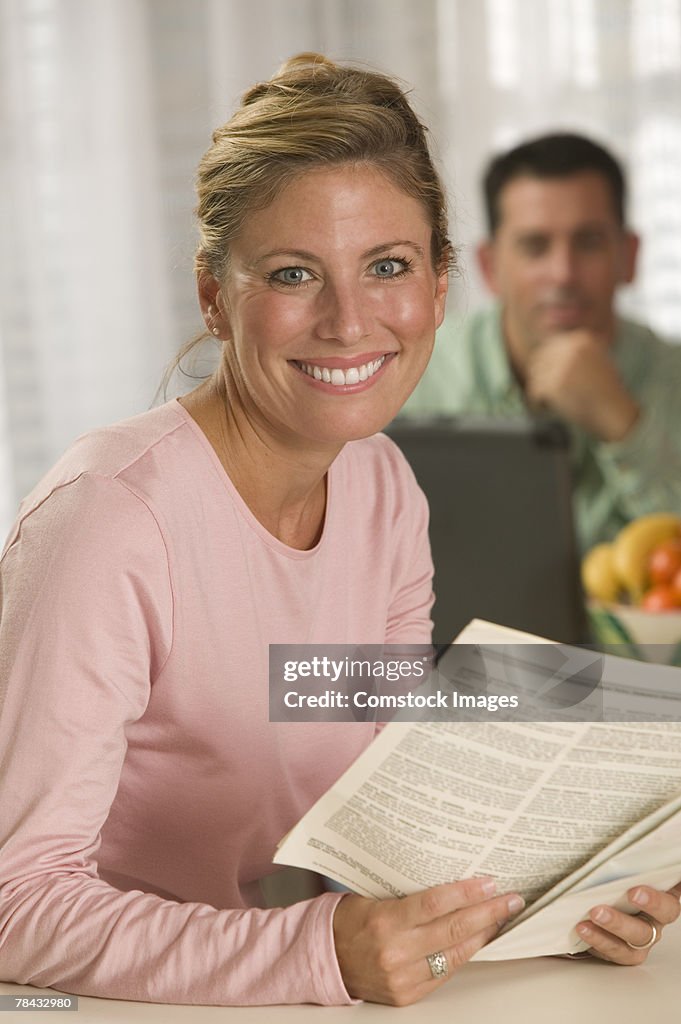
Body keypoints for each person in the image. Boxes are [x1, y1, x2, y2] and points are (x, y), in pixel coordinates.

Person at [0, 58, 678, 1009]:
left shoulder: (383, 489)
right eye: (291, 275)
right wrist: (316, 955)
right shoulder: (108, 520)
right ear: (212, 295)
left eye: (388, 267)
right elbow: (16, 903)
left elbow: (377, 823)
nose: (350, 321)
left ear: (441, 284)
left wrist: (559, 907)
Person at [403, 132, 681, 553]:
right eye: (535, 246)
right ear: (490, 266)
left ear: (629, 256)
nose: (563, 274)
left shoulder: (671, 376)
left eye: (588, 242)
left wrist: (623, 424)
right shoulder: (415, 374)